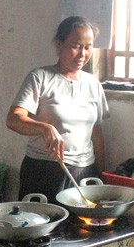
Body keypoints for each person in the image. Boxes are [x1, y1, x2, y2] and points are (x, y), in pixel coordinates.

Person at [6, 16, 108, 203]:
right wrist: (44, 128)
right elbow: (13, 119)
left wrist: (102, 175)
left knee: (83, 230)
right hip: (44, 171)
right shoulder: (40, 77)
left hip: (85, 173)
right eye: (76, 46)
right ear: (59, 44)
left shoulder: (93, 84)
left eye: (88, 47)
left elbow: (97, 133)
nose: (82, 54)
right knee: (43, 227)